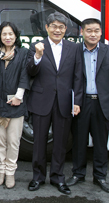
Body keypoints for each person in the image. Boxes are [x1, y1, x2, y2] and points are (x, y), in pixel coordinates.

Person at [67, 17, 109, 193]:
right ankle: (78, 173)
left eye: (96, 31)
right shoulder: (75, 50)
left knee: (101, 142)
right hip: (81, 102)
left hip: (103, 103)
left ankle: (100, 176)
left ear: (101, 33)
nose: (92, 34)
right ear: (82, 32)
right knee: (79, 141)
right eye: (89, 31)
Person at [26, 12, 82, 195]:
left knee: (60, 143)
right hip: (41, 100)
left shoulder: (73, 48)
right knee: (39, 142)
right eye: (54, 26)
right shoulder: (36, 46)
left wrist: (77, 101)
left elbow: (78, 77)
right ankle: (37, 177)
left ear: (66, 29)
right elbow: (30, 72)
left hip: (65, 101)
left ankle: (58, 177)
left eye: (61, 27)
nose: (57, 30)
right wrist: (38, 56)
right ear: (47, 28)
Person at [0, 22, 29, 189]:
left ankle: (11, 172)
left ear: (16, 35)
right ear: (0, 36)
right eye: (4, 34)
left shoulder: (23, 53)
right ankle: (1, 171)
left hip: (16, 103)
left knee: (13, 141)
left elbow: (25, 75)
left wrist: (19, 96)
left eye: (10, 34)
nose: (7, 37)